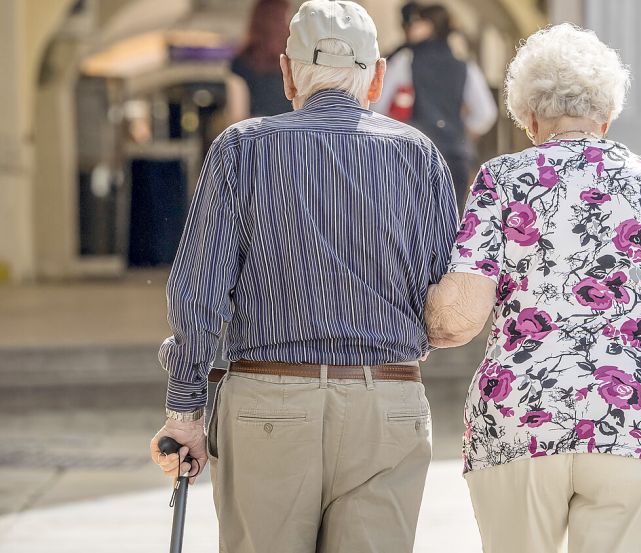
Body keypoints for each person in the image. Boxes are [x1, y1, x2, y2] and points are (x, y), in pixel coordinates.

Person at [148, 2, 459, 552]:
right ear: (377, 76)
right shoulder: (419, 156)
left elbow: (200, 292)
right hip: (385, 403)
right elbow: (443, 298)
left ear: (287, 74)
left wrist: (185, 411)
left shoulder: (242, 148)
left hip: (267, 401)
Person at [424, 24, 641, 553]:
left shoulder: (501, 179)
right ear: (607, 115)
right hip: (637, 421)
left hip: (520, 418)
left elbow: (462, 316)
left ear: (529, 117)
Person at [375, 3, 497, 208]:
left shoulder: (406, 60)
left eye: (417, 22)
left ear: (429, 26)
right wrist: (461, 132)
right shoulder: (464, 66)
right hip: (455, 158)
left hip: (415, 156)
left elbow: (377, 105)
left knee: (415, 218)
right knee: (452, 218)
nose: (410, 28)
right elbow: (486, 113)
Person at [226, 0, 293, 121]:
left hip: (257, 129)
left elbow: (237, 115)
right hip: (293, 129)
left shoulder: (240, 62)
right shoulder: (294, 59)